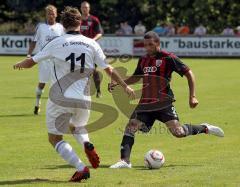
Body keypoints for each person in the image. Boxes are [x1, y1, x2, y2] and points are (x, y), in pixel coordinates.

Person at [14, 6, 135, 182]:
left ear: (62, 24)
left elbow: (31, 62)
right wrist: (125, 86)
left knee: (55, 138)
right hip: (84, 98)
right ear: (80, 23)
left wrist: (19, 64)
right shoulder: (91, 43)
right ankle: (86, 143)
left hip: (60, 97)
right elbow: (109, 69)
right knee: (77, 127)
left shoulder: (56, 42)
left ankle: (81, 168)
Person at [108, 31, 224, 169]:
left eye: (150, 44)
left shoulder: (169, 58)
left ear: (158, 43)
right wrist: (120, 83)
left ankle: (205, 128)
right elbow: (136, 77)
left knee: (178, 133)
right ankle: (125, 161)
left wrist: (192, 96)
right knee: (131, 126)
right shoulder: (143, 59)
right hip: (146, 103)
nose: (147, 48)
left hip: (164, 102)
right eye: (145, 45)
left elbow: (189, 73)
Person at [27, 5, 64, 115]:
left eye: (53, 13)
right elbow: (34, 41)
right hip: (44, 61)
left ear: (56, 14)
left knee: (59, 84)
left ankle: (59, 108)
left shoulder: (61, 28)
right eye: (49, 13)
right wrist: (29, 54)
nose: (51, 15)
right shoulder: (41, 27)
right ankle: (37, 104)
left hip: (57, 60)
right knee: (42, 83)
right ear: (46, 15)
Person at [80, 1, 103, 98]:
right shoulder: (77, 19)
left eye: (86, 7)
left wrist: (92, 40)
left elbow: (100, 33)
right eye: (83, 7)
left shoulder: (94, 20)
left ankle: (98, 91)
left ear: (89, 8)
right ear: (81, 8)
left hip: (91, 49)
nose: (85, 9)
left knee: (93, 70)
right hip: (79, 48)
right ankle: (82, 91)